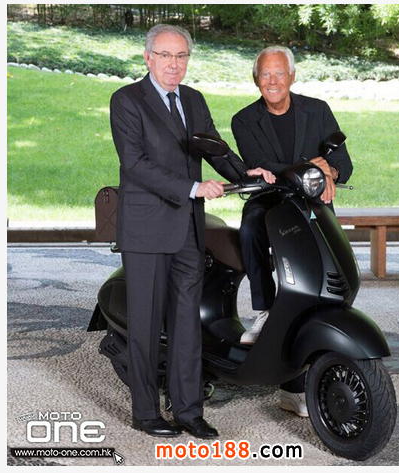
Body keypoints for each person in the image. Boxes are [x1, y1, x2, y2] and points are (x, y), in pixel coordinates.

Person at [110, 24, 274, 439]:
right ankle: (145, 413)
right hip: (147, 228)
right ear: (148, 58)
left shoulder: (194, 99)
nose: (174, 64)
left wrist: (247, 174)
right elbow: (135, 164)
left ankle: (188, 410)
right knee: (146, 324)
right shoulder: (127, 100)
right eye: (165, 55)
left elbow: (213, 147)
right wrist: (192, 188)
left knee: (187, 323)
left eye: (181, 56)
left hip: (187, 227)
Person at [231, 46, 353, 416]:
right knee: (249, 228)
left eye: (279, 73)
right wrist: (313, 167)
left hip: (312, 203)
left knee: (327, 274)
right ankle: (264, 309)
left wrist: (329, 171)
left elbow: (343, 164)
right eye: (265, 74)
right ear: (256, 79)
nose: (273, 81)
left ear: (292, 76)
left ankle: (327, 332)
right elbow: (261, 165)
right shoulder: (243, 120)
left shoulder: (318, 110)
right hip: (270, 199)